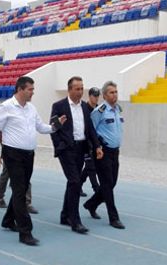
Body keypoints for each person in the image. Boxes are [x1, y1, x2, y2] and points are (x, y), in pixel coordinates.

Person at [0, 76, 65, 246]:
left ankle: (8, 220)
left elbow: (41, 127)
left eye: (33, 89)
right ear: (20, 89)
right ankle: (25, 232)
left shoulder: (31, 108)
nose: (32, 93)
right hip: (12, 154)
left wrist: (55, 126)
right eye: (30, 89)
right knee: (20, 191)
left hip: (29, 155)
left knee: (19, 191)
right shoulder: (6, 107)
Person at [50, 77, 102, 234]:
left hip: (82, 148)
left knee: (73, 182)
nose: (80, 92)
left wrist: (97, 146)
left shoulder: (86, 108)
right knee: (75, 181)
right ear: (69, 89)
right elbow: (54, 128)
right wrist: (59, 146)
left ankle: (65, 215)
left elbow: (90, 129)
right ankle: (75, 219)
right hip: (67, 149)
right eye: (77, 89)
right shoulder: (59, 106)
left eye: (82, 89)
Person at [83, 81, 125, 229]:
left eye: (116, 92)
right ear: (105, 95)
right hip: (102, 152)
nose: (115, 95)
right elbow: (90, 131)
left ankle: (91, 204)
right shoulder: (99, 111)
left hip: (115, 152)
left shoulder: (117, 110)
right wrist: (96, 147)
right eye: (111, 92)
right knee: (107, 185)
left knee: (112, 183)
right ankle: (113, 217)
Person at [80, 87, 101, 197]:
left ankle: (78, 185)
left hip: (96, 142)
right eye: (94, 96)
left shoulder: (98, 110)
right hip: (85, 142)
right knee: (91, 166)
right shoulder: (84, 108)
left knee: (89, 167)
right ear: (90, 96)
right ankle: (96, 189)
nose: (96, 98)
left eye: (97, 96)